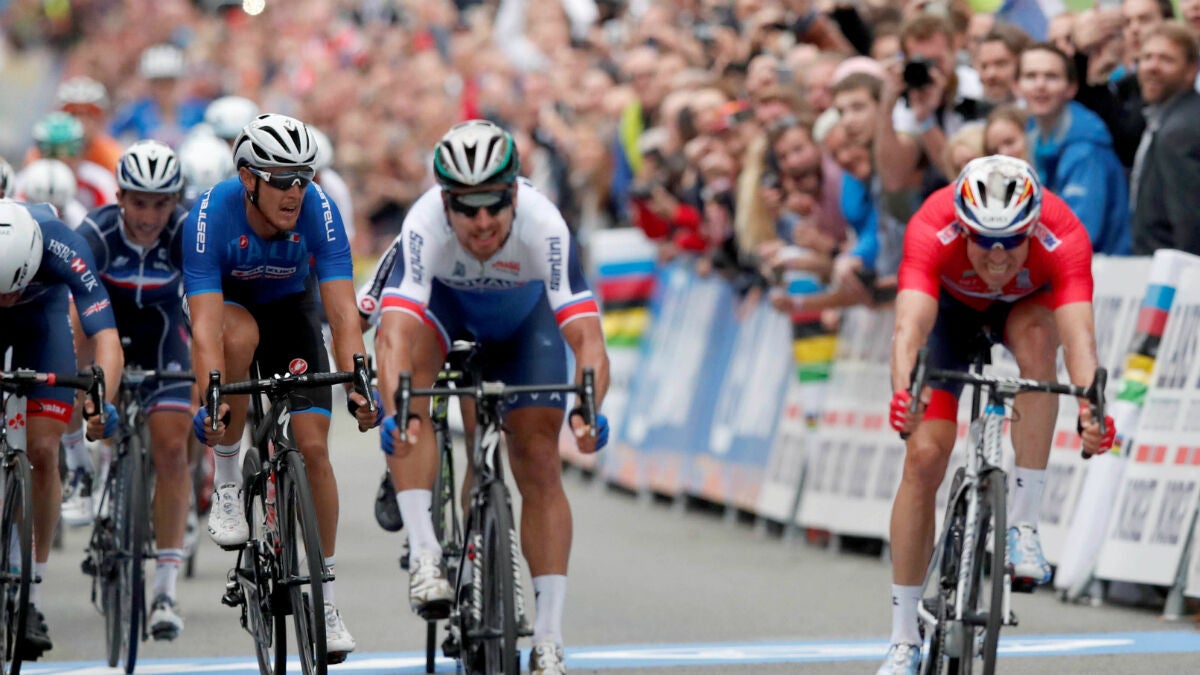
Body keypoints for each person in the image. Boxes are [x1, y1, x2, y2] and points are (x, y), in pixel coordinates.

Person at [371, 120, 610, 675]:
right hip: (446, 313)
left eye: (494, 205)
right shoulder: (423, 223)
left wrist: (589, 407)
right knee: (410, 398)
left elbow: (587, 339)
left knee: (539, 458)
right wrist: (395, 406)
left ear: (514, 196)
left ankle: (548, 636)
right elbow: (394, 334)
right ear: (445, 202)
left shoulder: (545, 223)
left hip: (525, 325)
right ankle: (426, 554)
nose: (482, 222)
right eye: (467, 207)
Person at [876, 155, 1116, 675]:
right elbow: (910, 330)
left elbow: (1080, 339)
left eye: (1013, 241)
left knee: (1040, 343)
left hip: (1024, 311)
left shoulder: (1064, 234)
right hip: (949, 316)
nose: (1000, 256)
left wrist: (1091, 408)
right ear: (963, 228)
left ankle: (1023, 525)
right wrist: (905, 396)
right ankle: (902, 639)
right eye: (985, 241)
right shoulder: (931, 225)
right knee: (924, 459)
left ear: (1034, 227)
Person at [183, 113, 379, 662]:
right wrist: (211, 399)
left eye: (304, 177)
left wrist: (360, 382)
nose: (296, 191)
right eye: (282, 179)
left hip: (293, 309)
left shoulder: (319, 209)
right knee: (238, 336)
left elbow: (343, 313)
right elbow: (205, 328)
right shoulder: (210, 215)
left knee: (314, 448)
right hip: (226, 307)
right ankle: (227, 480)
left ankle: (327, 601)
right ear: (248, 178)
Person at [77, 140, 193, 640]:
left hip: (164, 338)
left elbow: (205, 306)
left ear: (175, 201)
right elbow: (75, 314)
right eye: (139, 203)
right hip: (104, 331)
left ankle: (164, 591)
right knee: (97, 399)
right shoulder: (96, 233)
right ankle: (98, 462)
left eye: (161, 204)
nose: (148, 216)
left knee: (172, 449)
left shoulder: (187, 231)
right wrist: (86, 385)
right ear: (119, 197)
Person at [0, 199, 124, 659]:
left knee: (42, 451)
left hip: (42, 323)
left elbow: (105, 337)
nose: (6, 299)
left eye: (14, 288)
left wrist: (100, 401)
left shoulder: (61, 246)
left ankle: (31, 592)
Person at [1017, 43, 1131, 255]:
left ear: (1071, 88)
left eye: (1051, 77)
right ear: (1017, 86)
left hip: (1105, 267)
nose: (1040, 85)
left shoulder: (1086, 148)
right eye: (1031, 76)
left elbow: (1081, 232)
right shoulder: (1033, 135)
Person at [1129, 23, 1200, 255]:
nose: (1152, 67)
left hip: (1170, 266)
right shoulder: (1166, 117)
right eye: (1147, 57)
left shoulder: (1180, 130)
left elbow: (1188, 220)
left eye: (1166, 59)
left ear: (1191, 70)